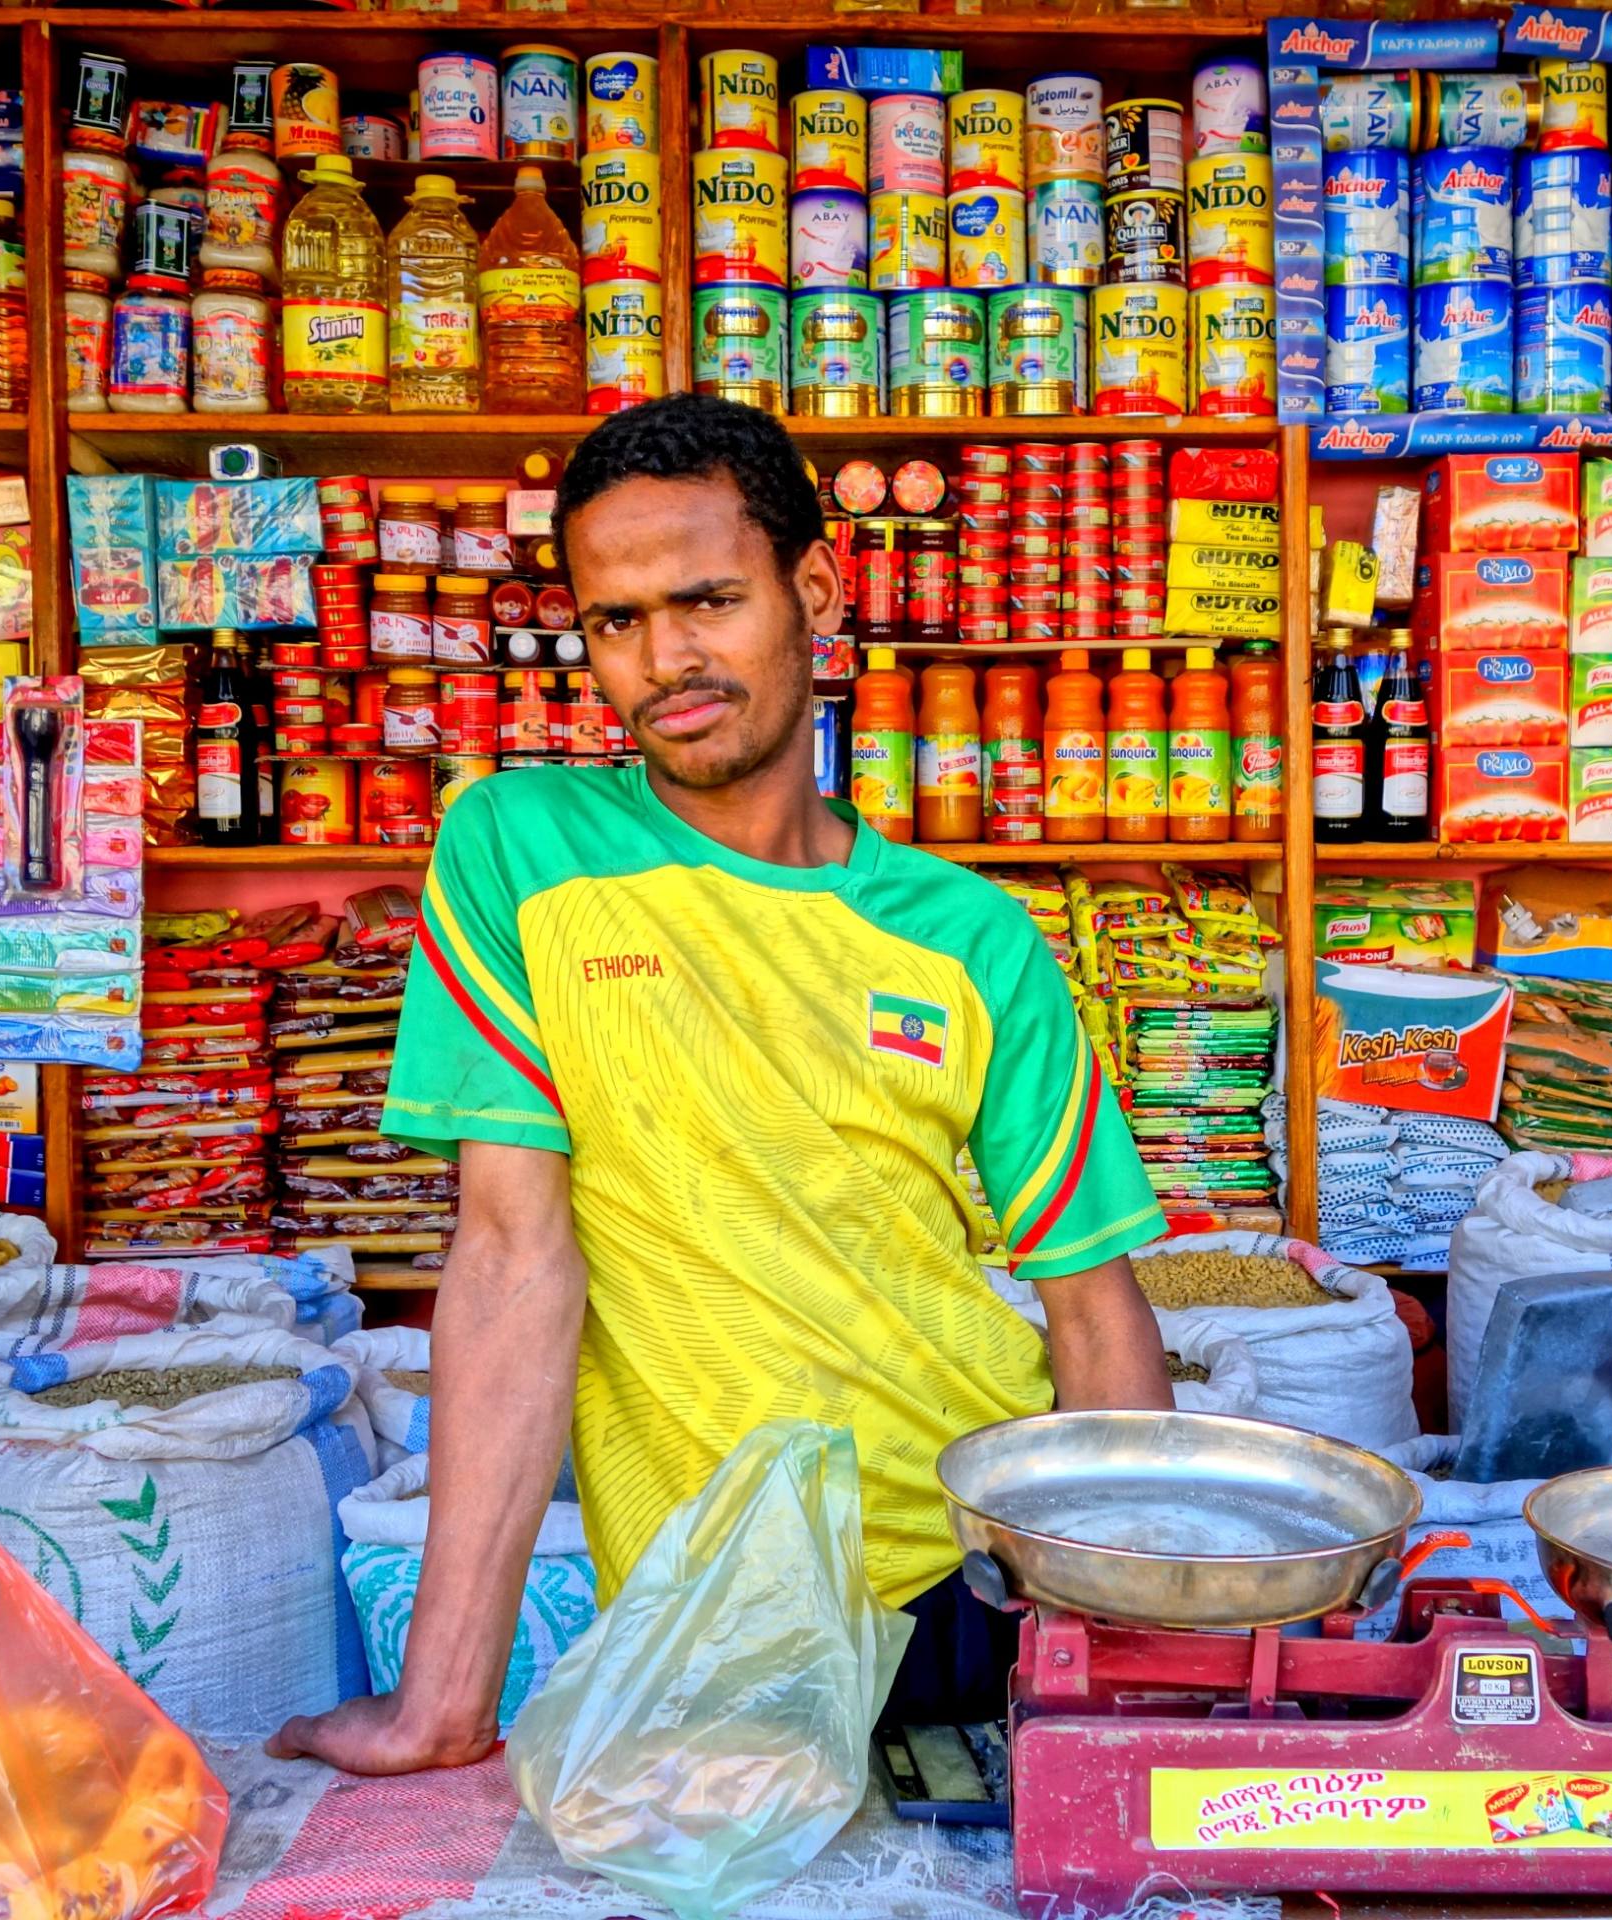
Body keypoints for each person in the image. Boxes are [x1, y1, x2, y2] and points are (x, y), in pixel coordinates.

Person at [269, 395, 1171, 1774]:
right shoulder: (521, 850)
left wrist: (1131, 1669)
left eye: (705, 600)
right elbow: (512, 1254)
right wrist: (439, 1699)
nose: (664, 659)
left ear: (814, 586)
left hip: (965, 1588)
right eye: (615, 622)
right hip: (703, 1618)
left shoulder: (971, 937)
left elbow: (1096, 1320)